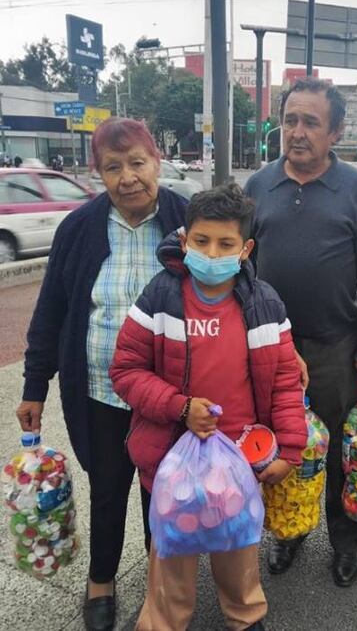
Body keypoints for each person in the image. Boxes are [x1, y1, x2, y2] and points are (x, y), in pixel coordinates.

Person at [16, 117, 188, 631]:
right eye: (113, 167)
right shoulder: (79, 228)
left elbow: (230, 292)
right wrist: (34, 385)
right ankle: (101, 581)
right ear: (98, 175)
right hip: (99, 390)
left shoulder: (186, 220)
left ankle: (163, 584)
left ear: (157, 162)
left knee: (164, 492)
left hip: (169, 394)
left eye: (137, 162)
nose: (128, 177)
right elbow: (51, 312)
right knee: (108, 489)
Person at [110, 185, 306, 631]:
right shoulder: (161, 296)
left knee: (237, 552)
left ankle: (244, 616)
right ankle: (161, 621)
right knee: (171, 554)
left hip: (239, 459)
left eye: (225, 244)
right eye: (201, 242)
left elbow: (284, 382)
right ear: (185, 241)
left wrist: (291, 450)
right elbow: (125, 370)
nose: (211, 252)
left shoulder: (264, 304)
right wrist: (179, 408)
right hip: (172, 457)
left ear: (245, 249)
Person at [243, 77, 357, 587]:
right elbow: (243, 268)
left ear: (336, 132)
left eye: (311, 122)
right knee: (284, 448)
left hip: (336, 348)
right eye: (290, 120)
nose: (297, 132)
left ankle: (346, 543)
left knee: (339, 452)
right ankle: (289, 531)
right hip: (272, 348)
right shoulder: (258, 186)